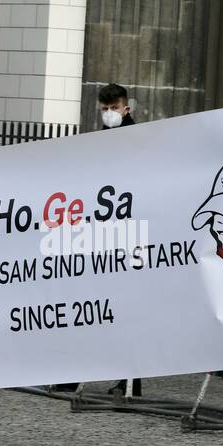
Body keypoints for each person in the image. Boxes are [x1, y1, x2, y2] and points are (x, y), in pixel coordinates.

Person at [97, 82, 140, 396]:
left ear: (127, 108)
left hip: (126, 232)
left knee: (125, 307)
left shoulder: (137, 138)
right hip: (101, 229)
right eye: (105, 109)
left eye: (114, 108)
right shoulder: (98, 139)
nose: (109, 114)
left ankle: (130, 380)